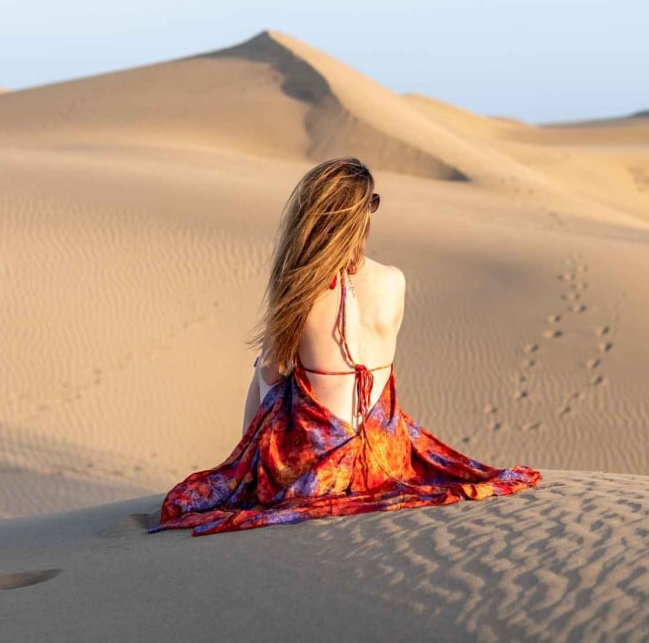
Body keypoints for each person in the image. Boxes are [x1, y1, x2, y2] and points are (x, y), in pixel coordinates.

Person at [149, 156, 541, 536]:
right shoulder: (394, 281)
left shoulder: (301, 288)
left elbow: (271, 373)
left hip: (314, 468)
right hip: (387, 457)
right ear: (364, 215)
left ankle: (247, 470)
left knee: (265, 370)